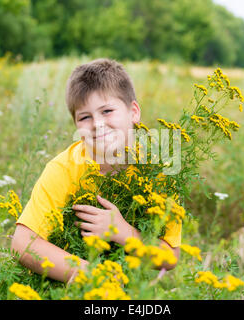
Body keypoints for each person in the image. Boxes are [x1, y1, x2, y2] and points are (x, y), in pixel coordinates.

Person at [10, 58, 181, 284]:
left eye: (107, 111)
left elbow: (169, 257)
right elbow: (22, 244)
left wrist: (122, 232)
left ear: (134, 112)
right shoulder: (63, 169)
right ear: (76, 124)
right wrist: (92, 276)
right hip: (65, 285)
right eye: (85, 117)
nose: (97, 124)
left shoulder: (158, 170)